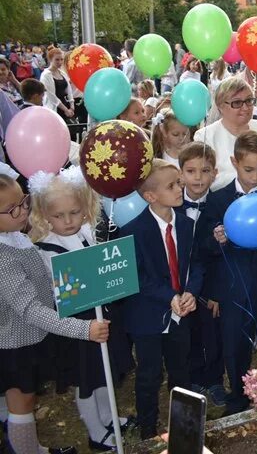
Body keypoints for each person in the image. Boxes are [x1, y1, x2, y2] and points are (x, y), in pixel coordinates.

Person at [0, 174, 110, 454]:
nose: (23, 210)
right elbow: (30, 309)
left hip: (29, 339)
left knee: (25, 399)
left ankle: (33, 447)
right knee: (21, 403)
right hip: (15, 344)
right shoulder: (4, 258)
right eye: (13, 209)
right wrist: (83, 330)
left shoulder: (15, 237)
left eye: (23, 202)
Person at [29, 167, 134, 451]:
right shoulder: (47, 248)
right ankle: (95, 431)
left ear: (84, 207)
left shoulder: (88, 231)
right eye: (58, 216)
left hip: (102, 315)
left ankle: (107, 415)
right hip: (79, 325)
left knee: (103, 370)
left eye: (74, 212)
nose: (67, 221)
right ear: (45, 215)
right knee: (86, 378)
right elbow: (58, 290)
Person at [195, 132, 257, 414]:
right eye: (249, 169)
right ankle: (238, 395)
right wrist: (216, 238)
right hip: (233, 289)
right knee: (234, 346)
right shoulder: (218, 200)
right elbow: (203, 247)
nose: (255, 176)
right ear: (234, 162)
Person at [119, 159, 202, 439]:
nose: (181, 188)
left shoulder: (188, 224)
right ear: (150, 196)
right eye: (172, 185)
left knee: (181, 369)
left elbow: (197, 263)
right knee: (149, 375)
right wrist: (170, 297)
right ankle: (147, 430)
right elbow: (138, 277)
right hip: (148, 316)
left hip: (181, 312)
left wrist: (191, 291)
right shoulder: (132, 231)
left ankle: (185, 427)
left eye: (179, 182)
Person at [173, 142, 227, 407]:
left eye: (205, 171)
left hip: (210, 285)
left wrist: (216, 293)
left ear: (214, 173)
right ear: (180, 173)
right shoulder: (171, 204)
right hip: (178, 285)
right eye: (191, 171)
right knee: (187, 335)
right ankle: (193, 378)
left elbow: (222, 258)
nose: (198, 177)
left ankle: (215, 378)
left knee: (213, 333)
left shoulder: (220, 205)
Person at [193, 77, 257, 191]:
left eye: (249, 100)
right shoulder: (205, 136)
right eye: (237, 103)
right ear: (220, 106)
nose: (245, 108)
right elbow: (204, 179)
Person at [40, 48, 75, 120]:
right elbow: (51, 96)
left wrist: (72, 106)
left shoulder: (62, 73)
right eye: (57, 60)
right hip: (53, 108)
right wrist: (66, 109)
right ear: (50, 60)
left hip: (65, 105)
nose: (60, 62)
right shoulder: (46, 75)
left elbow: (69, 90)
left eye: (62, 59)